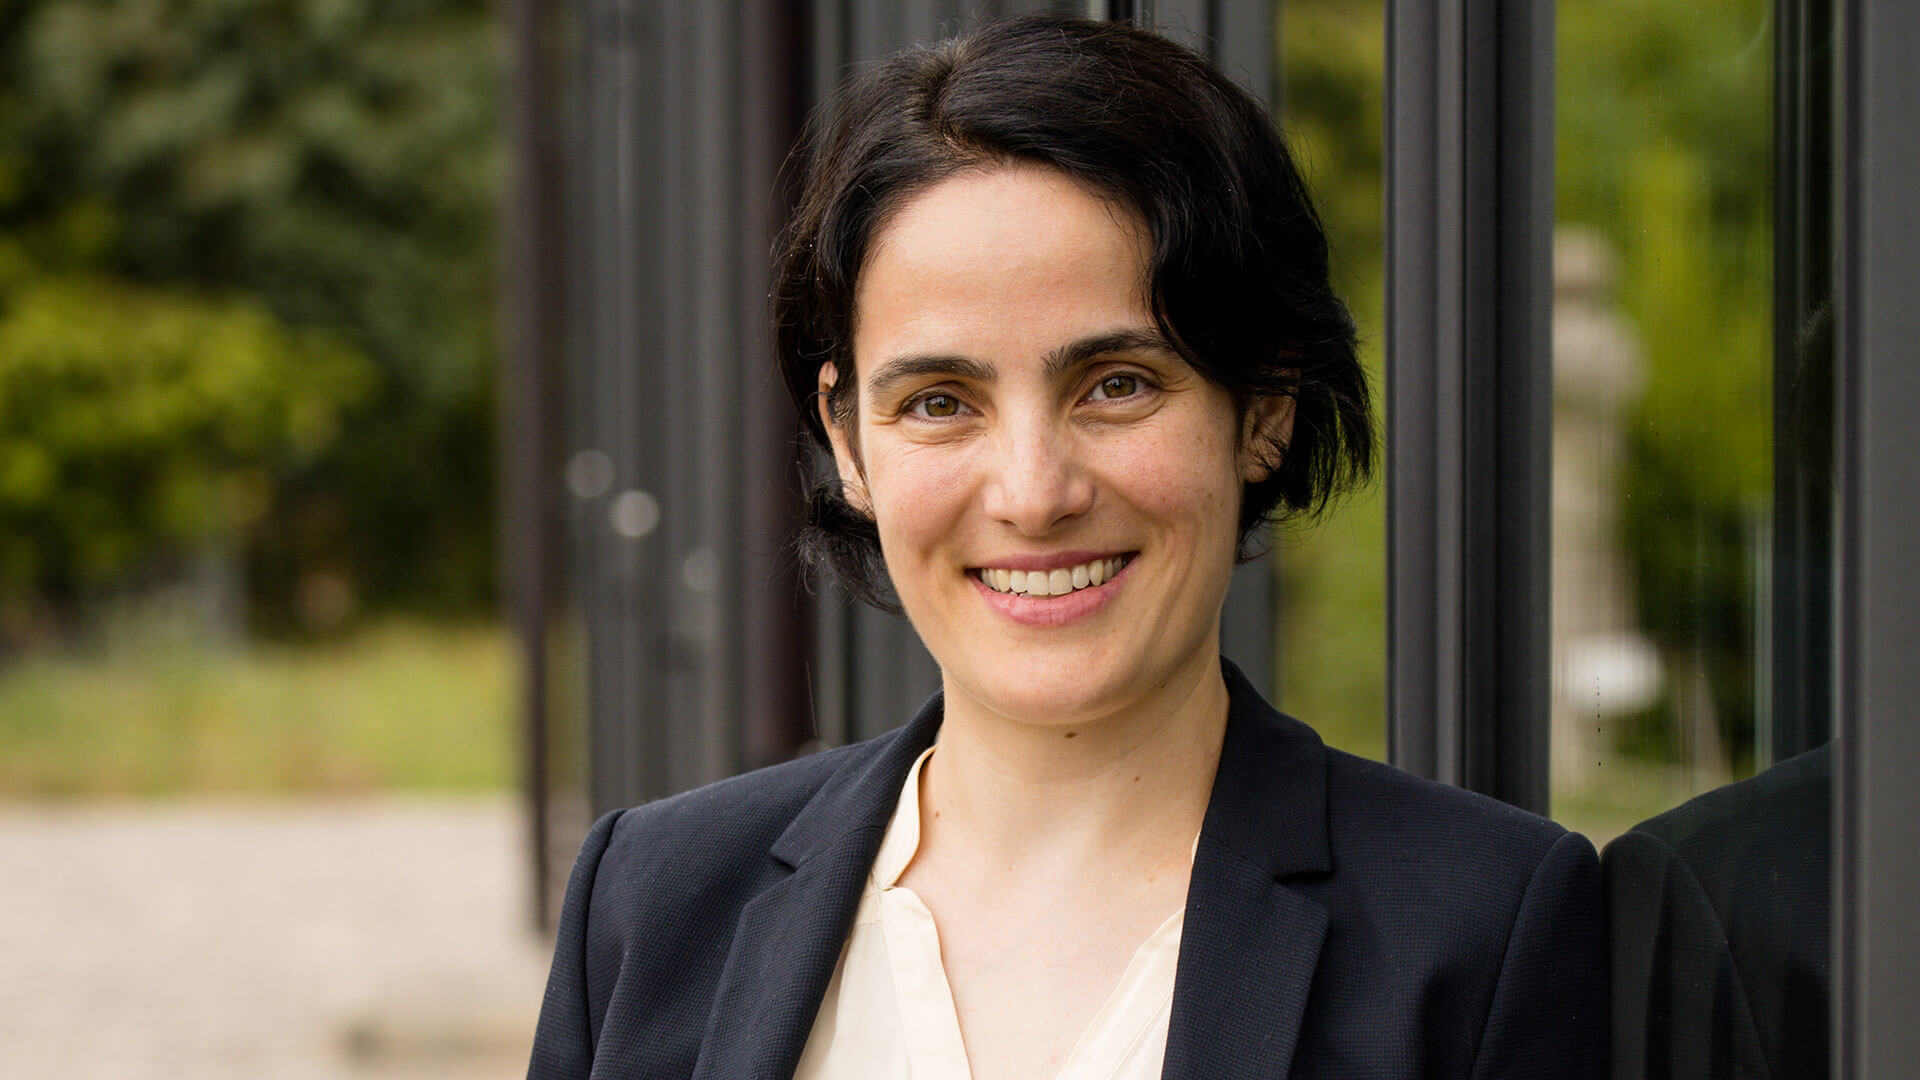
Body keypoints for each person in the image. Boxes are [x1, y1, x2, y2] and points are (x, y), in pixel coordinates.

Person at [527, 13, 1605, 1079]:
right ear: (847, 440)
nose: (1034, 494)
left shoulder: (1480, 933)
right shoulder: (655, 900)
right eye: (940, 401)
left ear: (1266, 406)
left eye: (1117, 385)